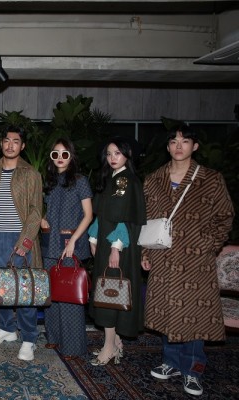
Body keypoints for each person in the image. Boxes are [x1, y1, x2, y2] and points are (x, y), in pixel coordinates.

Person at [141, 125, 234, 396]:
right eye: (173, 141)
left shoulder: (210, 178)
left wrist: (209, 245)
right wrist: (145, 252)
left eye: (185, 141)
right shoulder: (154, 179)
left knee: (195, 315)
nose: (178, 146)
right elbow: (146, 219)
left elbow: (225, 216)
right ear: (168, 147)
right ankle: (170, 362)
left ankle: (193, 370)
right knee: (167, 310)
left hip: (196, 260)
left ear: (195, 146)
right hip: (162, 256)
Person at [0, 127, 43, 361]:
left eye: (15, 141)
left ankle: (29, 338)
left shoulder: (30, 173)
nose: (10, 145)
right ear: (1, 143)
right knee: (1, 288)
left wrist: (25, 241)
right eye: (6, 140)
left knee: (25, 290)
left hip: (20, 238)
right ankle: (7, 328)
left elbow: (36, 211)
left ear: (22, 146)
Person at [87, 137, 146, 366]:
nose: (112, 158)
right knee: (107, 290)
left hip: (119, 247)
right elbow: (101, 214)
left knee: (110, 294)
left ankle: (109, 346)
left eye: (118, 153)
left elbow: (124, 218)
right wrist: (93, 237)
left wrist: (115, 248)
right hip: (105, 244)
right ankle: (116, 342)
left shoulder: (127, 180)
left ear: (127, 155)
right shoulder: (111, 178)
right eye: (109, 153)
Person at [40, 138, 93, 360]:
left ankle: (72, 347)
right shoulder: (50, 181)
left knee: (69, 295)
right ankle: (53, 336)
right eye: (56, 154)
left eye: (65, 154)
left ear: (71, 156)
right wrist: (43, 219)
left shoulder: (80, 181)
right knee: (52, 291)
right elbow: (51, 209)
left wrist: (73, 241)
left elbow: (88, 215)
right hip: (50, 242)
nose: (60, 158)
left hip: (70, 243)